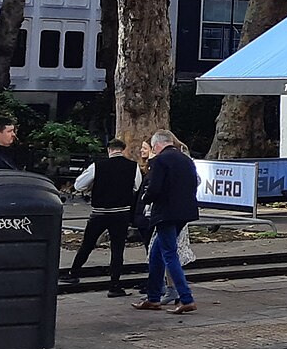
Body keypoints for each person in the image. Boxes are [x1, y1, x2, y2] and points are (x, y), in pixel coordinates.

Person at [66, 140, 141, 297]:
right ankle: (114, 285)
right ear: (123, 150)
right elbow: (136, 186)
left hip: (100, 211)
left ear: (109, 150)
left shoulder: (97, 166)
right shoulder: (132, 166)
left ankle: (74, 273)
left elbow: (79, 185)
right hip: (121, 212)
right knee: (117, 249)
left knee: (87, 244)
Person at [134, 131, 198, 314]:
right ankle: (153, 297)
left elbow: (155, 188)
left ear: (156, 146)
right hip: (184, 211)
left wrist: (145, 199)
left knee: (169, 253)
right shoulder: (186, 160)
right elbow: (194, 183)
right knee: (156, 252)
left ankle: (186, 298)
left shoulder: (161, 161)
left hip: (165, 213)